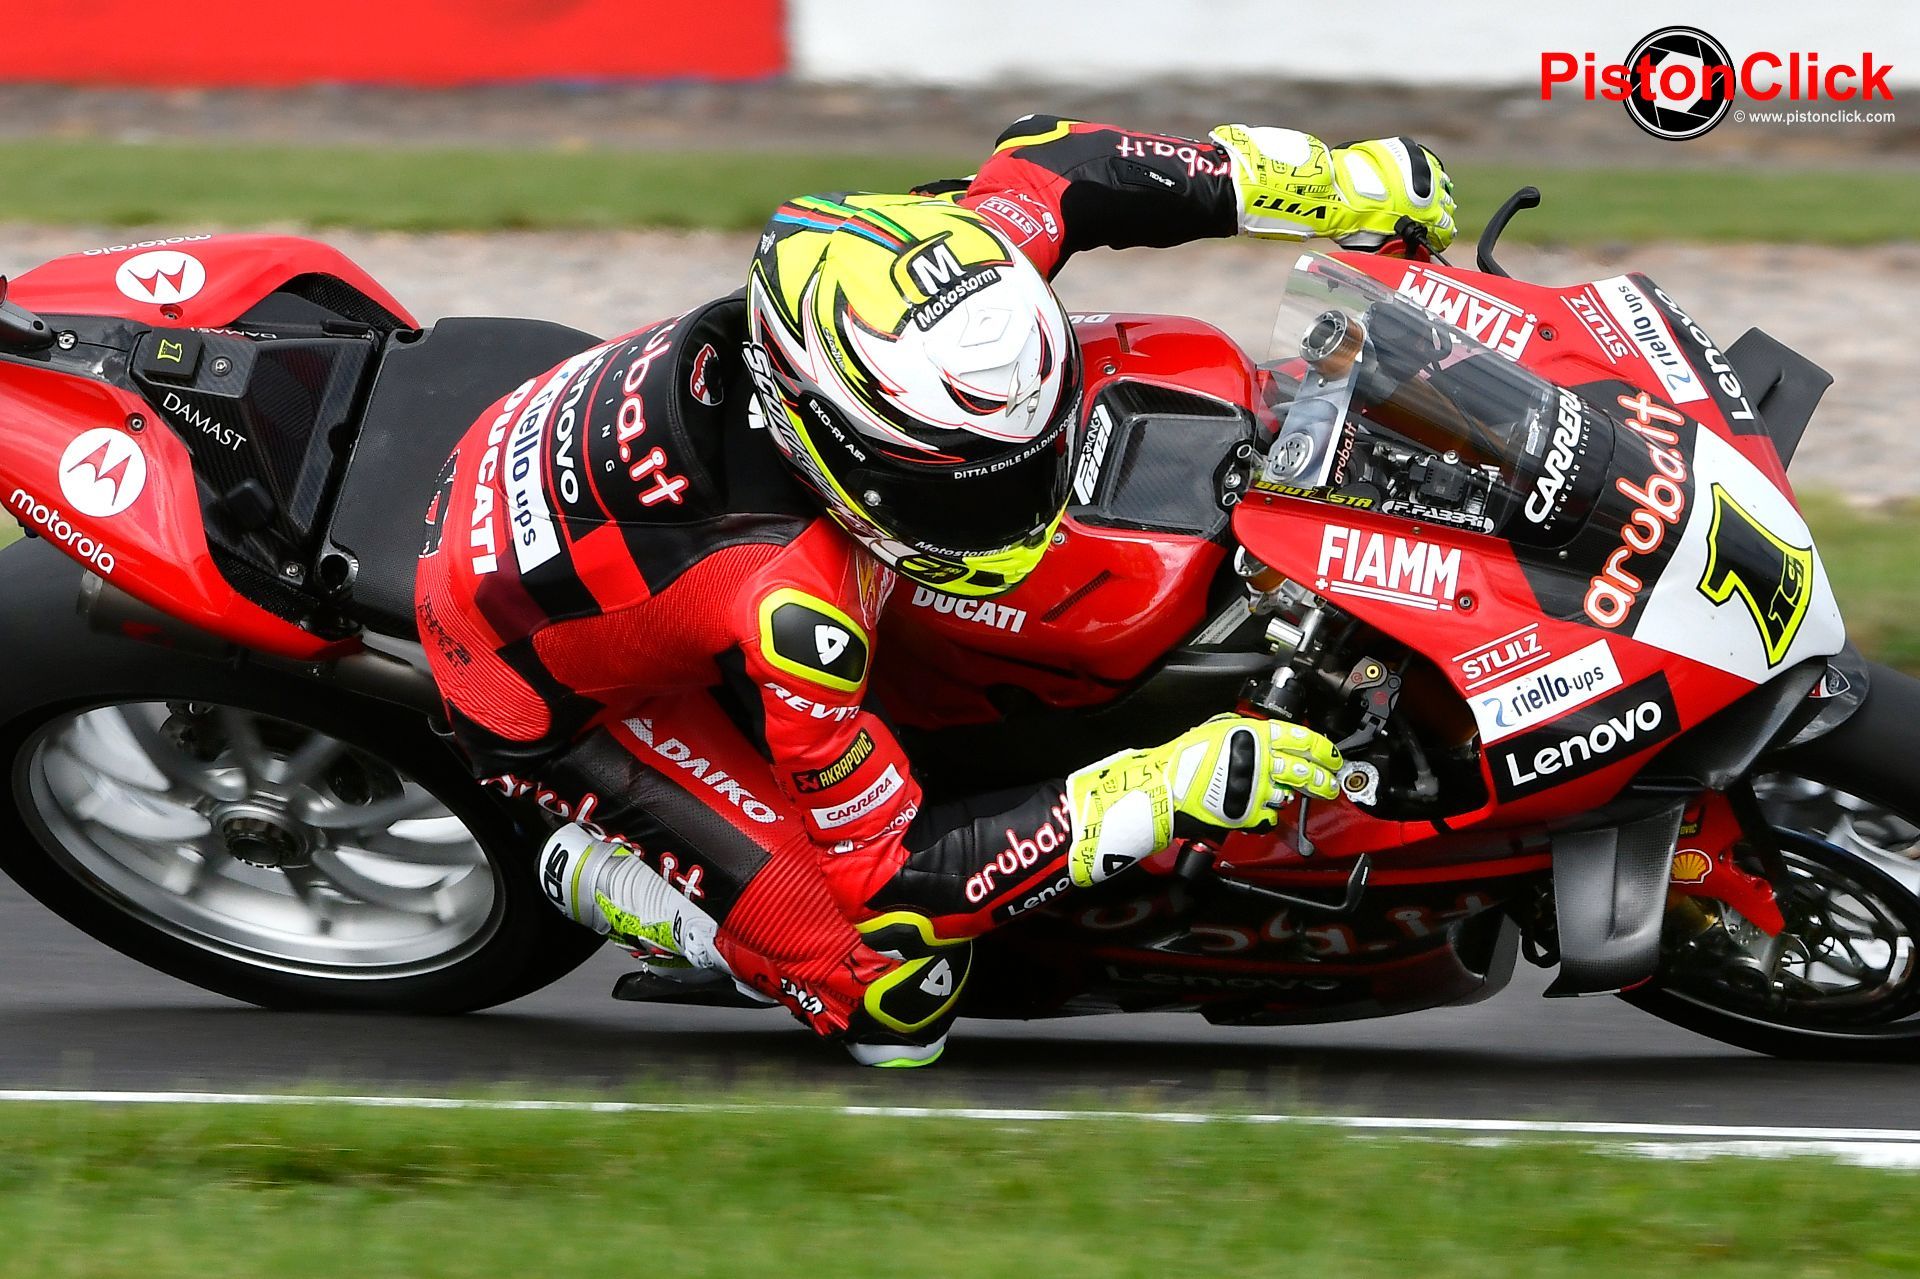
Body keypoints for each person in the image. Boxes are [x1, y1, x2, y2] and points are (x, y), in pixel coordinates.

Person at [414, 117, 1456, 1066]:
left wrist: (1335, 183)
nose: (1029, 509)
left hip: (580, 463)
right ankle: (611, 878)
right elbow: (893, 881)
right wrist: (1151, 791)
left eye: (1036, 454)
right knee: (894, 993)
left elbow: (1066, 161)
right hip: (536, 678)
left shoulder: (938, 266)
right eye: (975, 491)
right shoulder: (796, 608)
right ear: (837, 449)